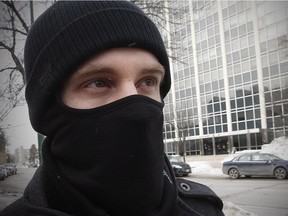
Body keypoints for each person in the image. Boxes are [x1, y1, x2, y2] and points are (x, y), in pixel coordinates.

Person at [0, 1, 224, 216]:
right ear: (48, 109)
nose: (134, 105)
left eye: (147, 81)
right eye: (98, 82)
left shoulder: (207, 210)